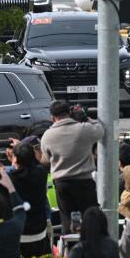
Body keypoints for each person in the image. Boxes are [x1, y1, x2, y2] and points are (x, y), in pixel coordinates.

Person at [40, 100, 104, 234]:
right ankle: (92, 248)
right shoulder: (83, 129)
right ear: (69, 113)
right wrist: (85, 117)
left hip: (62, 184)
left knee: (67, 220)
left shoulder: (47, 136)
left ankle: (71, 249)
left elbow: (46, 159)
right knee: (91, 218)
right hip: (84, 182)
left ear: (52, 117)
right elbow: (100, 130)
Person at [0, 140, 51, 258]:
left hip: (15, 236)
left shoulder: (7, 180)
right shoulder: (41, 173)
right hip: (39, 234)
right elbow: (35, 163)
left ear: (14, 159)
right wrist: (22, 147)